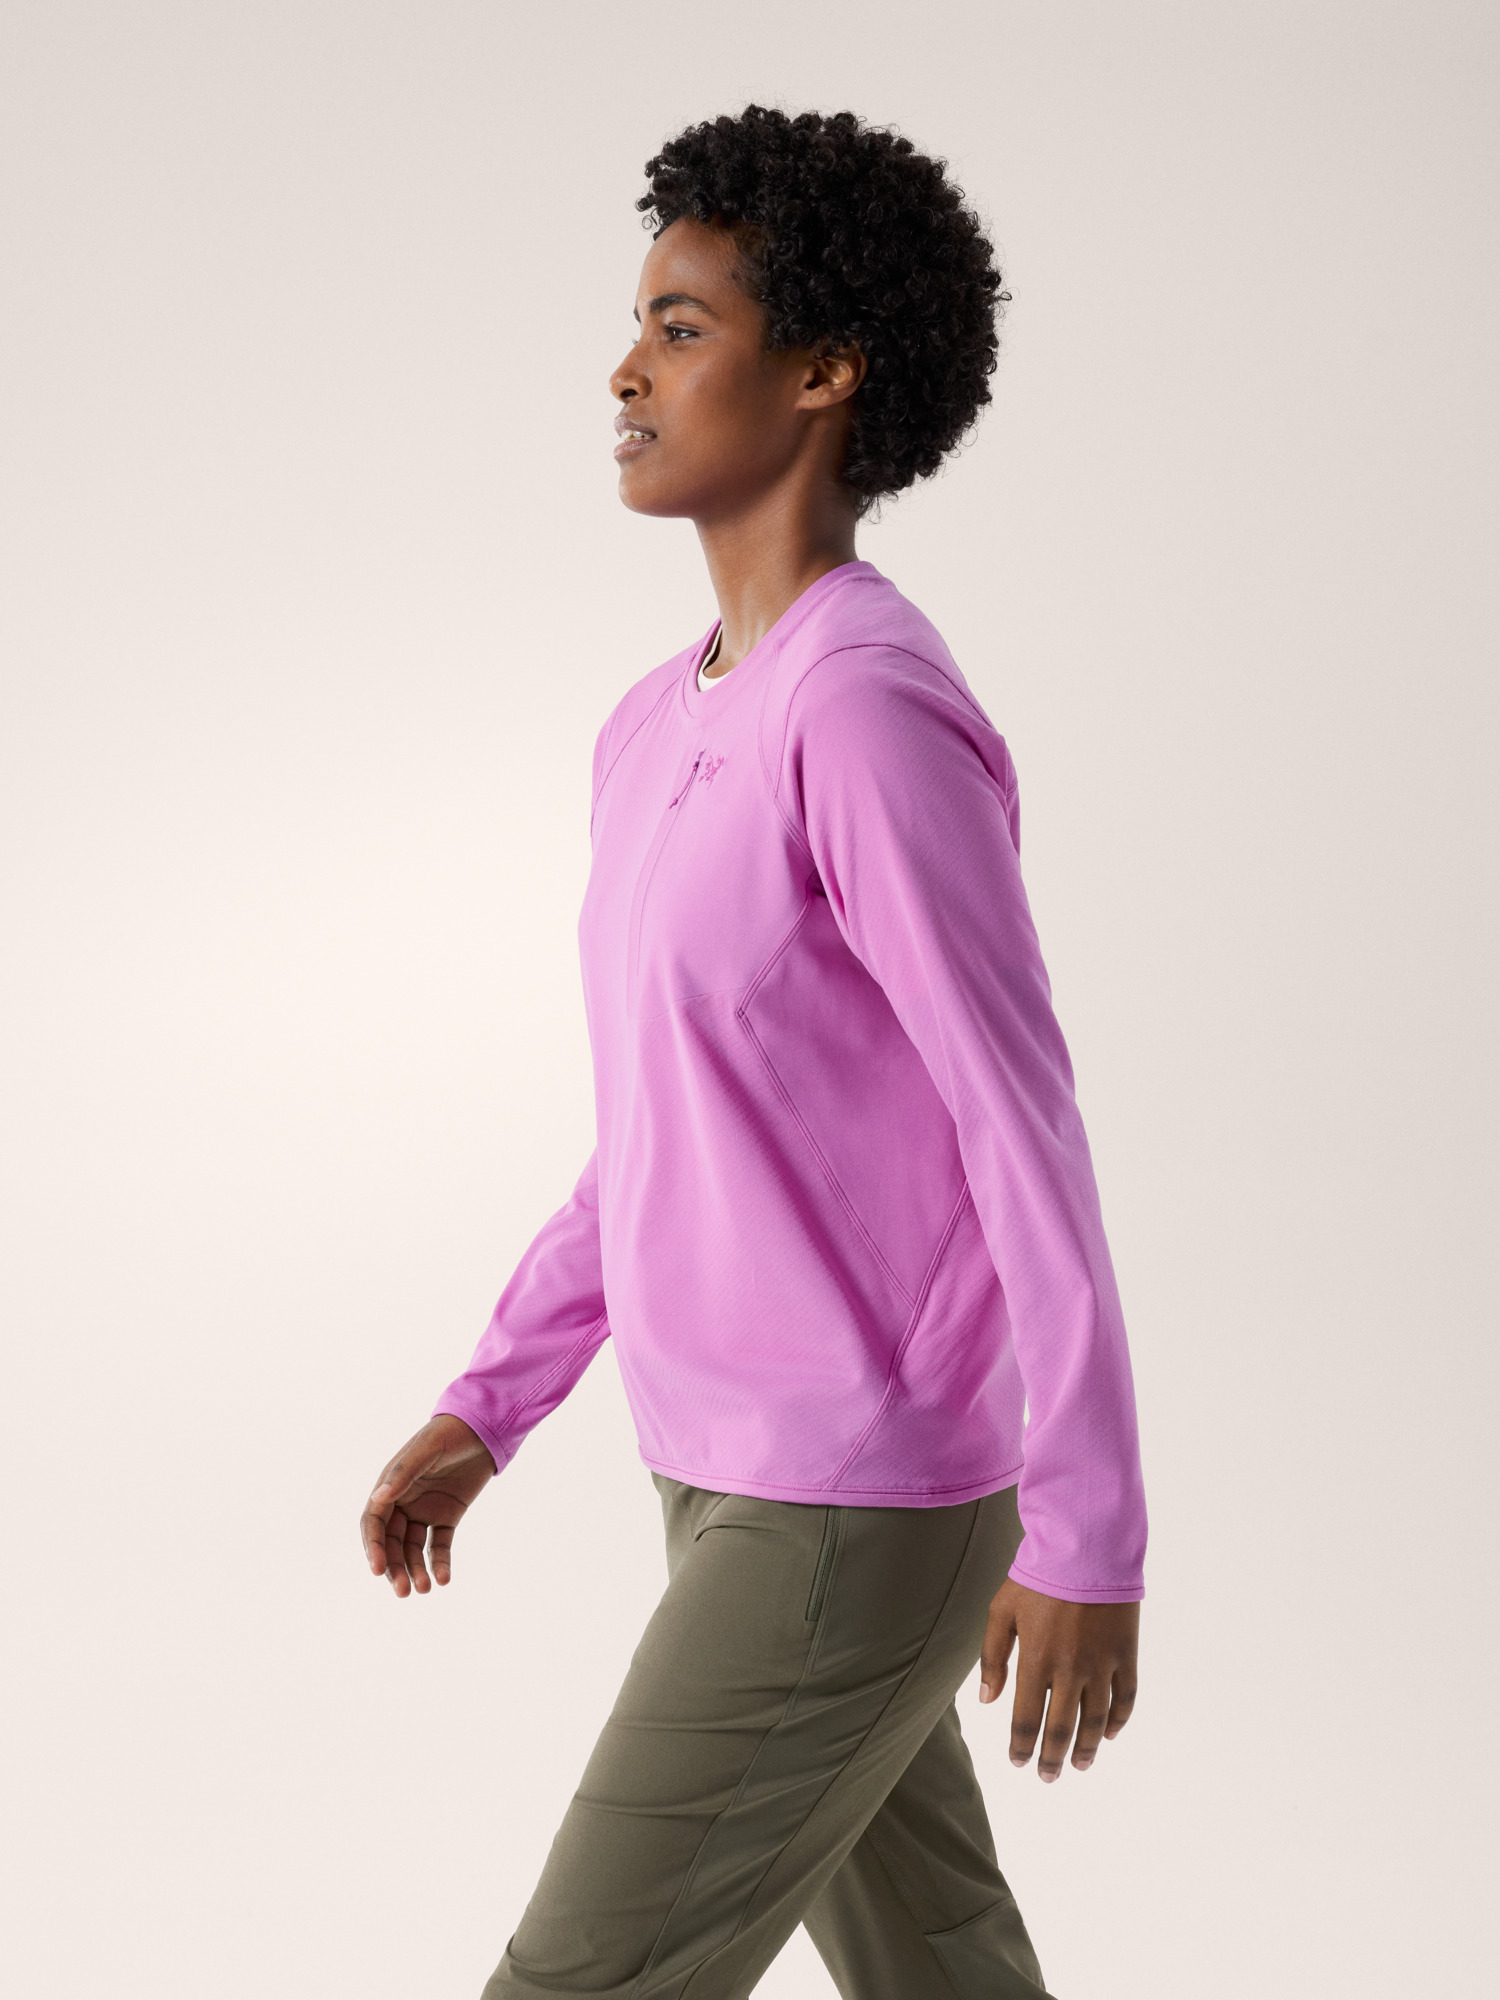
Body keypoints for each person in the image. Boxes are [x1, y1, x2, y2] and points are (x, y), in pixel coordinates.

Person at [360, 105, 1147, 2000]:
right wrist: (491, 1405)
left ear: (823, 371)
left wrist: (1089, 1529)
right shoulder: (654, 725)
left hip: (848, 1494)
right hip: (714, 1468)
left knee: (581, 1978)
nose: (626, 371)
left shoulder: (864, 712)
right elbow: (660, 1126)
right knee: (944, 1969)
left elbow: (1019, 1122)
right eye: (638, 323)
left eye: (682, 326)